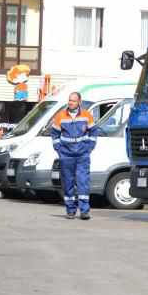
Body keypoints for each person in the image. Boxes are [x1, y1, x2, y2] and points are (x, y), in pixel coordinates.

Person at [49, 92, 97, 220]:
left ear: (79, 102)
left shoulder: (87, 115)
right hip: (66, 154)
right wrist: (59, 150)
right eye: (69, 100)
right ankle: (70, 210)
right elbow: (54, 134)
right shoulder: (60, 116)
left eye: (73, 101)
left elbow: (93, 131)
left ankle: (84, 211)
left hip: (82, 154)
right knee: (68, 182)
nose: (70, 103)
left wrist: (89, 147)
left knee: (83, 182)